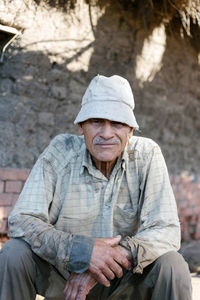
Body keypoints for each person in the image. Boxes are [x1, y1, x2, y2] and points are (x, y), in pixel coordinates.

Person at [0, 75, 192, 300]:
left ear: (130, 130)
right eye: (97, 121)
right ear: (82, 126)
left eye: (117, 123)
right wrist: (82, 252)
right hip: (65, 280)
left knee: (172, 265)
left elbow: (167, 229)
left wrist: (112, 257)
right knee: (14, 253)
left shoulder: (147, 155)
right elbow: (22, 220)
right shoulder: (60, 151)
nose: (107, 133)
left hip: (126, 279)